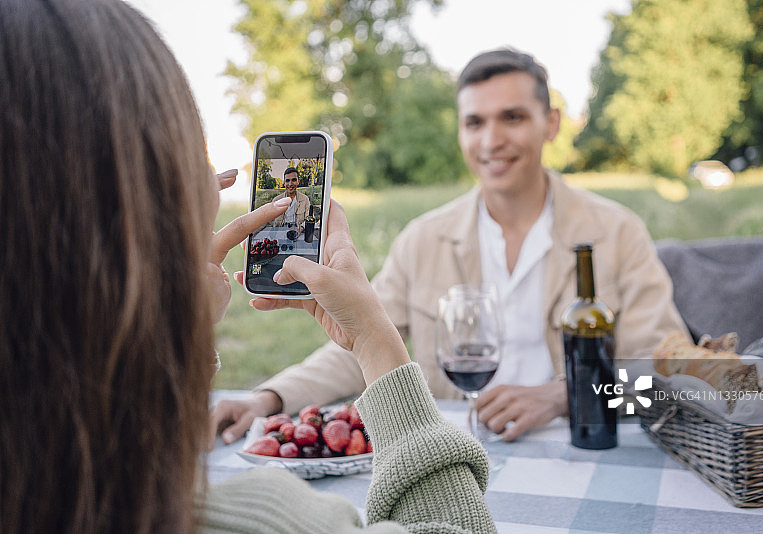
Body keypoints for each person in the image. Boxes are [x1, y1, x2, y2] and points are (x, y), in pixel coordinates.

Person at [0, 1, 495, 532]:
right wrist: (375, 338)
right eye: (196, 150)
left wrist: (172, 323)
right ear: (162, 199)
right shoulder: (269, 519)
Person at [212, 47, 690, 444]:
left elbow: (669, 380)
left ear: (551, 124)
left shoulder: (618, 232)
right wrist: (267, 399)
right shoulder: (423, 238)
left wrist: (562, 395)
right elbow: (358, 344)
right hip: (457, 455)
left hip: (583, 449)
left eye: (513, 117)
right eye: (475, 122)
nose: (492, 140)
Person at [270, 167, 311, 232]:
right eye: (287, 180)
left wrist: (299, 229)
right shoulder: (276, 200)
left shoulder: (305, 199)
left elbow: (309, 219)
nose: (290, 184)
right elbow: (270, 222)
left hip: (298, 231)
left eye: (294, 180)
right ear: (284, 183)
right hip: (280, 231)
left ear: (298, 181)